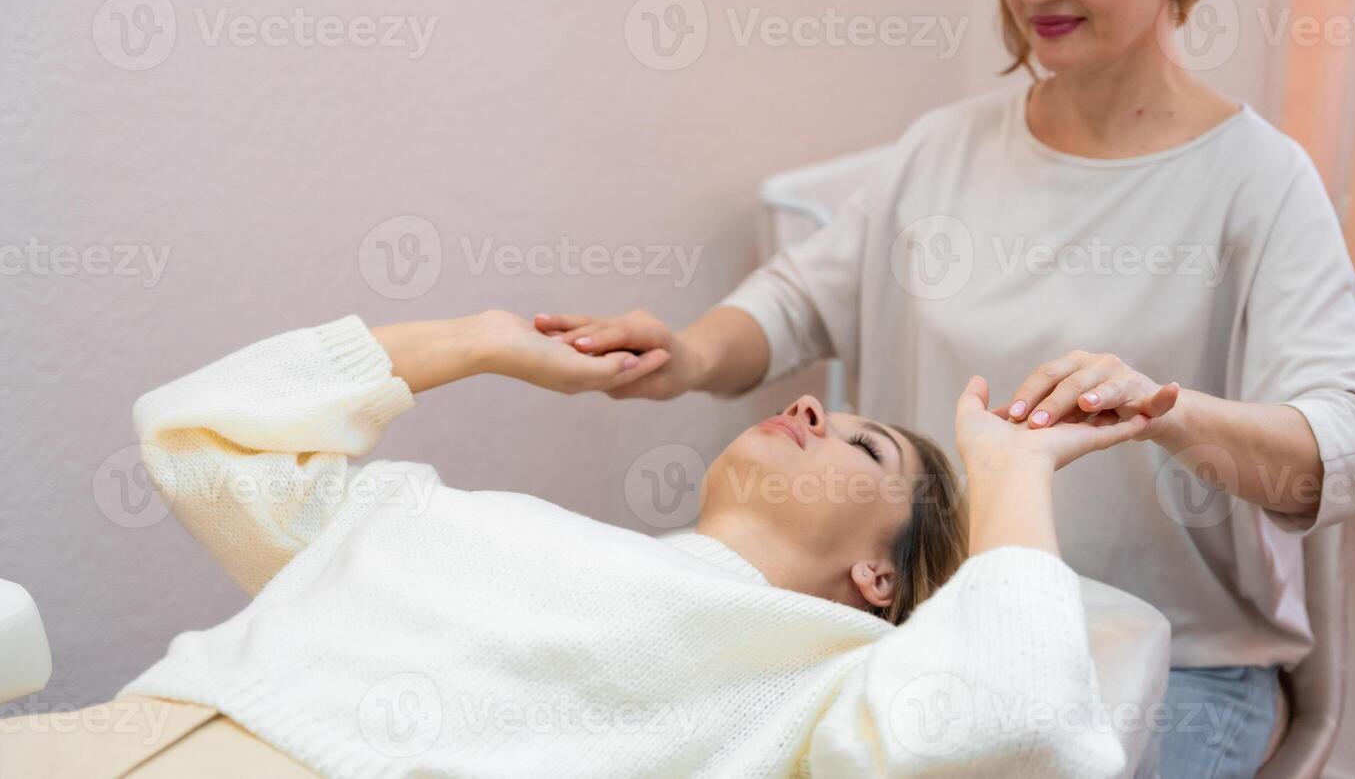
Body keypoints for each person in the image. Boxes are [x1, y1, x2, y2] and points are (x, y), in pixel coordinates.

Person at [532, 0, 1355, 776]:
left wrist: (1170, 414)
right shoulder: (943, 149)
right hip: (929, 628)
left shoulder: (1257, 181)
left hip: (1172, 661)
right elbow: (793, 302)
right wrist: (687, 353)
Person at [0, 308, 1165, 777]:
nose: (810, 406)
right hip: (93, 740)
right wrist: (482, 339)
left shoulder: (817, 676)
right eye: (823, 405)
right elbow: (202, 438)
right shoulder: (474, 518)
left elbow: (1025, 726)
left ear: (876, 580)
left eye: (862, 449)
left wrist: (1012, 472)